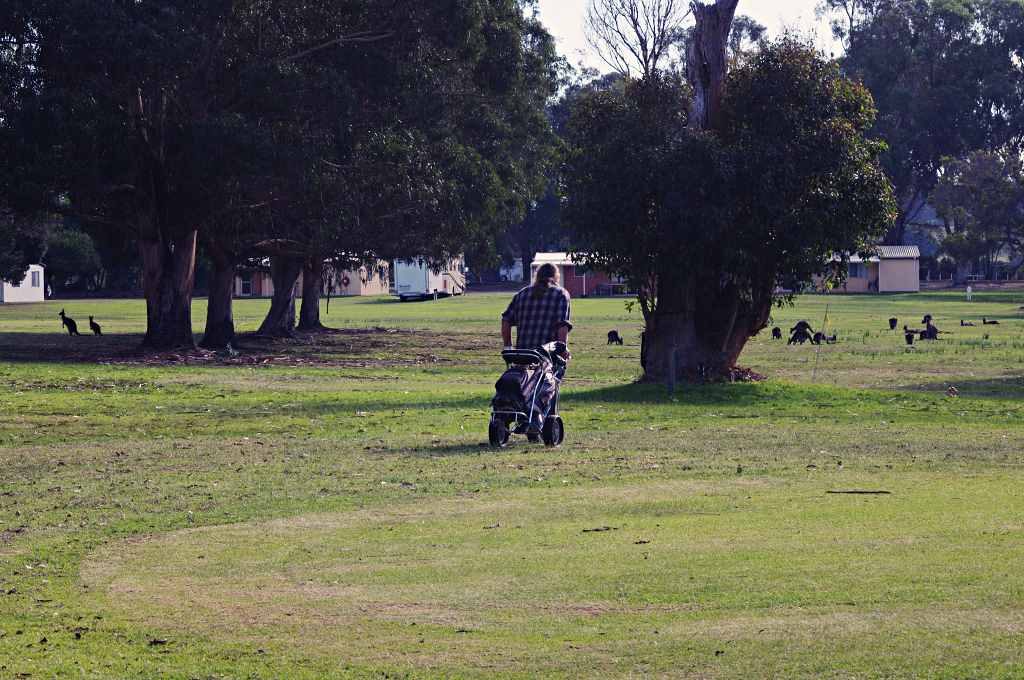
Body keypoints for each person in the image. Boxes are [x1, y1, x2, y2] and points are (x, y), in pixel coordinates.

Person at [501, 263, 573, 356]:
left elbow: (506, 320)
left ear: (537, 275)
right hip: (547, 357)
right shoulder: (560, 294)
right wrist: (562, 349)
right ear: (556, 276)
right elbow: (562, 325)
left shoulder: (522, 294)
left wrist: (508, 346)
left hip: (523, 355)